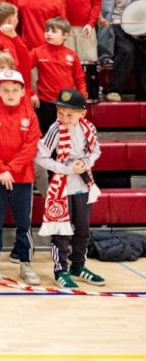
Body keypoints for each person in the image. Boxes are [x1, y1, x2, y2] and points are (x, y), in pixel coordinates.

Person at [36, 90, 106, 289]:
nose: (64, 118)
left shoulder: (88, 128)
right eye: (60, 113)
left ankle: (78, 266)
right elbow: (40, 156)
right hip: (62, 188)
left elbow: (96, 151)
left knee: (83, 229)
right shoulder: (55, 129)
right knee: (61, 231)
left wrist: (86, 163)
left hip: (83, 186)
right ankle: (60, 270)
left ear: (82, 113)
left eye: (69, 114)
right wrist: (66, 168)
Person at [0, 68, 41, 285]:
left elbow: (30, 148)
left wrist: (10, 170)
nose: (10, 94)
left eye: (15, 90)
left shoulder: (30, 117)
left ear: (23, 91)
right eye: (5, 90)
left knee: (24, 223)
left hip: (22, 179)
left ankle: (25, 263)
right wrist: (1, 170)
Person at [102, 0, 146, 101]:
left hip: (143, 25)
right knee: (126, 51)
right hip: (120, 23)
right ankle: (114, 90)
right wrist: (100, 17)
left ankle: (143, 94)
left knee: (143, 56)